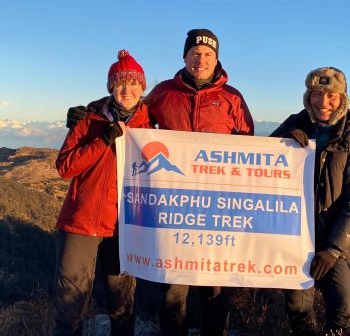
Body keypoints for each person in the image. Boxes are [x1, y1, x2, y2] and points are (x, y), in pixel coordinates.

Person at [66, 29, 254, 336]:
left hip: (217, 209)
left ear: (217, 59)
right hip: (174, 208)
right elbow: (130, 106)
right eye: (194, 53)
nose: (200, 60)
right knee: (172, 292)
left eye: (207, 55)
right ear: (184, 57)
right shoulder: (164, 92)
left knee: (215, 291)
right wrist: (86, 113)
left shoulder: (233, 98)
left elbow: (248, 146)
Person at [53, 50, 152, 336]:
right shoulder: (89, 120)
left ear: (142, 88)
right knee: (70, 304)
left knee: (122, 304)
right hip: (81, 222)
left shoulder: (151, 126)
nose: (127, 90)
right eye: (120, 84)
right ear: (111, 88)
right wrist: (102, 141)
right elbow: (65, 167)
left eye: (134, 84)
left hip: (124, 225)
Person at [270, 67, 350, 336]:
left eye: (331, 95)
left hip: (336, 237)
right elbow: (261, 165)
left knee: (342, 307)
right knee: (298, 307)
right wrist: (283, 141)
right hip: (297, 234)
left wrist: (333, 249)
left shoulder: (348, 131)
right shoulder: (297, 121)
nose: (323, 102)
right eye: (317, 93)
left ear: (342, 98)